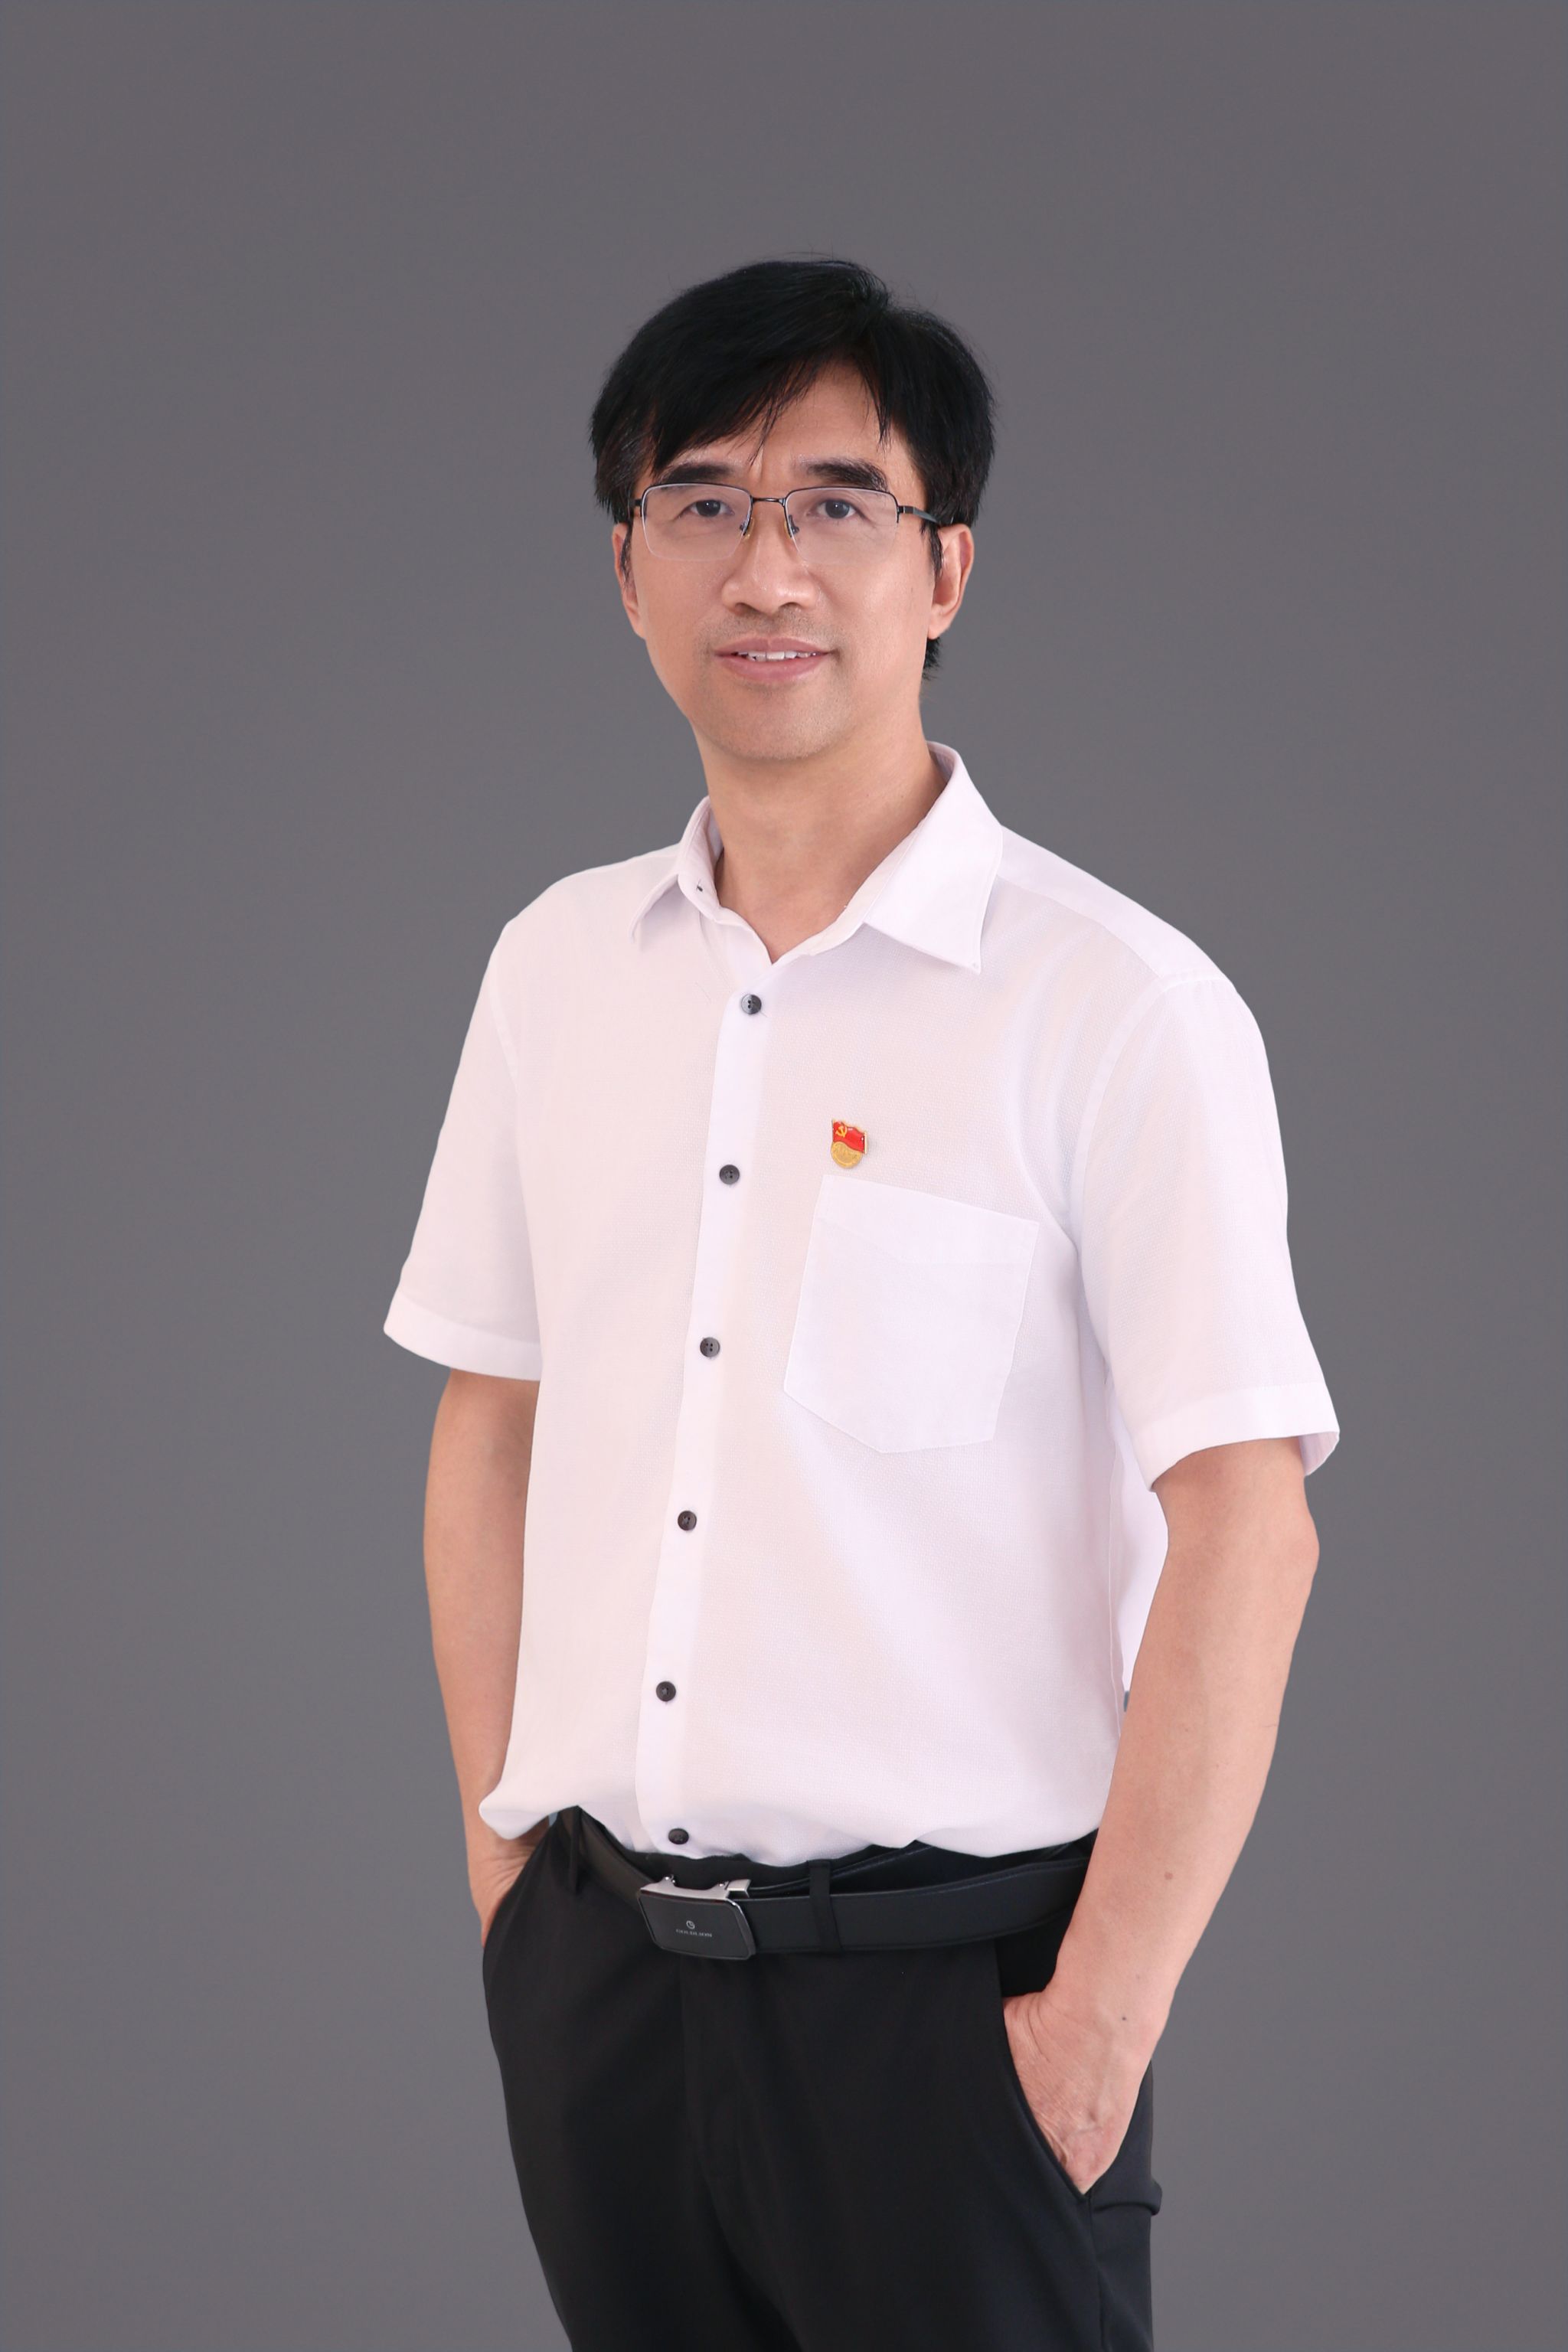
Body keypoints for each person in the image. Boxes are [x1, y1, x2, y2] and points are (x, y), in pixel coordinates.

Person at [382, 254, 1339, 2352]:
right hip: (605, 1997)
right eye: (702, 502)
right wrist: (506, 1885)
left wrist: (1094, 2030)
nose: (768, 567)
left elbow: (1249, 1527)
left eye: (838, 502)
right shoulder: (556, 970)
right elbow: (490, 1424)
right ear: (626, 570)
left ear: (945, 570)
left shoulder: (1114, 1006)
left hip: (955, 2020)